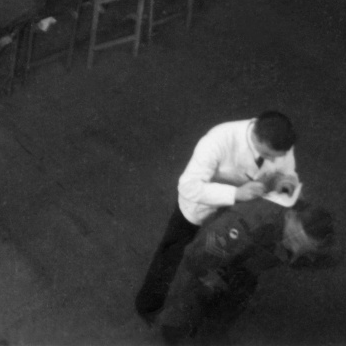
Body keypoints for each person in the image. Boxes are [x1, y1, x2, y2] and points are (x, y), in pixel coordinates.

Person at [134, 112, 301, 324]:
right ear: (257, 138)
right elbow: (188, 186)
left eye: (278, 156)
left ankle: (205, 300)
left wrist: (284, 185)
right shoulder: (217, 140)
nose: (274, 160)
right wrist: (235, 194)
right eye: (268, 155)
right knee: (171, 255)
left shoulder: (278, 145)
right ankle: (149, 306)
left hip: (236, 214)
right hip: (200, 208)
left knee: (223, 255)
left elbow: (286, 172)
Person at [157, 199, 335, 344]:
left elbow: (316, 255)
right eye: (296, 240)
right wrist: (210, 279)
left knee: (235, 298)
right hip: (208, 260)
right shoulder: (245, 224)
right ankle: (173, 329)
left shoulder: (300, 231)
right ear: (291, 215)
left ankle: (213, 333)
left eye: (306, 247)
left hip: (244, 265)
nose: (296, 251)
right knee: (186, 303)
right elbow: (195, 256)